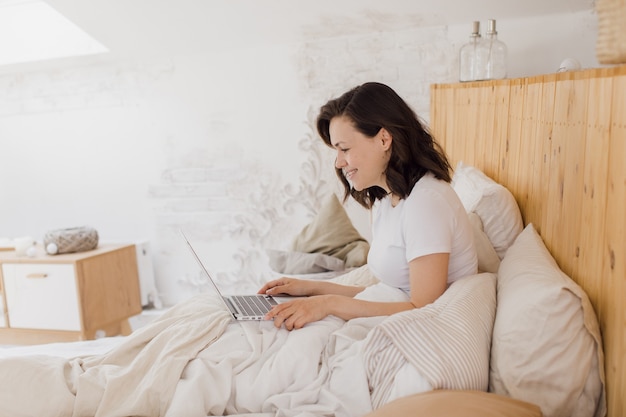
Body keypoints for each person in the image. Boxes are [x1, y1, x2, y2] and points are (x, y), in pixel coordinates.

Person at [259, 82, 477, 331]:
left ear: (384, 139)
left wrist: (328, 304)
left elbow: (423, 308)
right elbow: (390, 292)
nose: (339, 162)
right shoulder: (387, 199)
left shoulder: (427, 202)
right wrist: (310, 289)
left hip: (428, 327)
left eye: (345, 149)